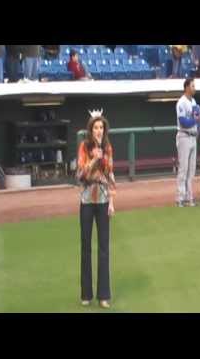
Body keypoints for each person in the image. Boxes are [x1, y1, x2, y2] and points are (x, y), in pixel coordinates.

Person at [76, 109, 116, 309]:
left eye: (101, 127)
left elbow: (110, 176)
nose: (99, 131)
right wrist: (93, 159)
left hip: (102, 202)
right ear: (90, 130)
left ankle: (103, 295)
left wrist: (111, 202)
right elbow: (80, 175)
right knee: (86, 247)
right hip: (86, 201)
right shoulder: (84, 147)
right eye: (95, 128)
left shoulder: (108, 148)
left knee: (104, 249)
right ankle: (86, 294)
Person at [176, 78, 200, 207]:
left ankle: (189, 197)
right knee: (183, 168)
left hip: (192, 137)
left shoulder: (194, 101)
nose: (194, 88)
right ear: (186, 87)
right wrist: (195, 119)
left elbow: (197, 120)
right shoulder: (181, 102)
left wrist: (196, 122)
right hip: (184, 136)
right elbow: (184, 122)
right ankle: (180, 198)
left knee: (191, 169)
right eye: (192, 86)